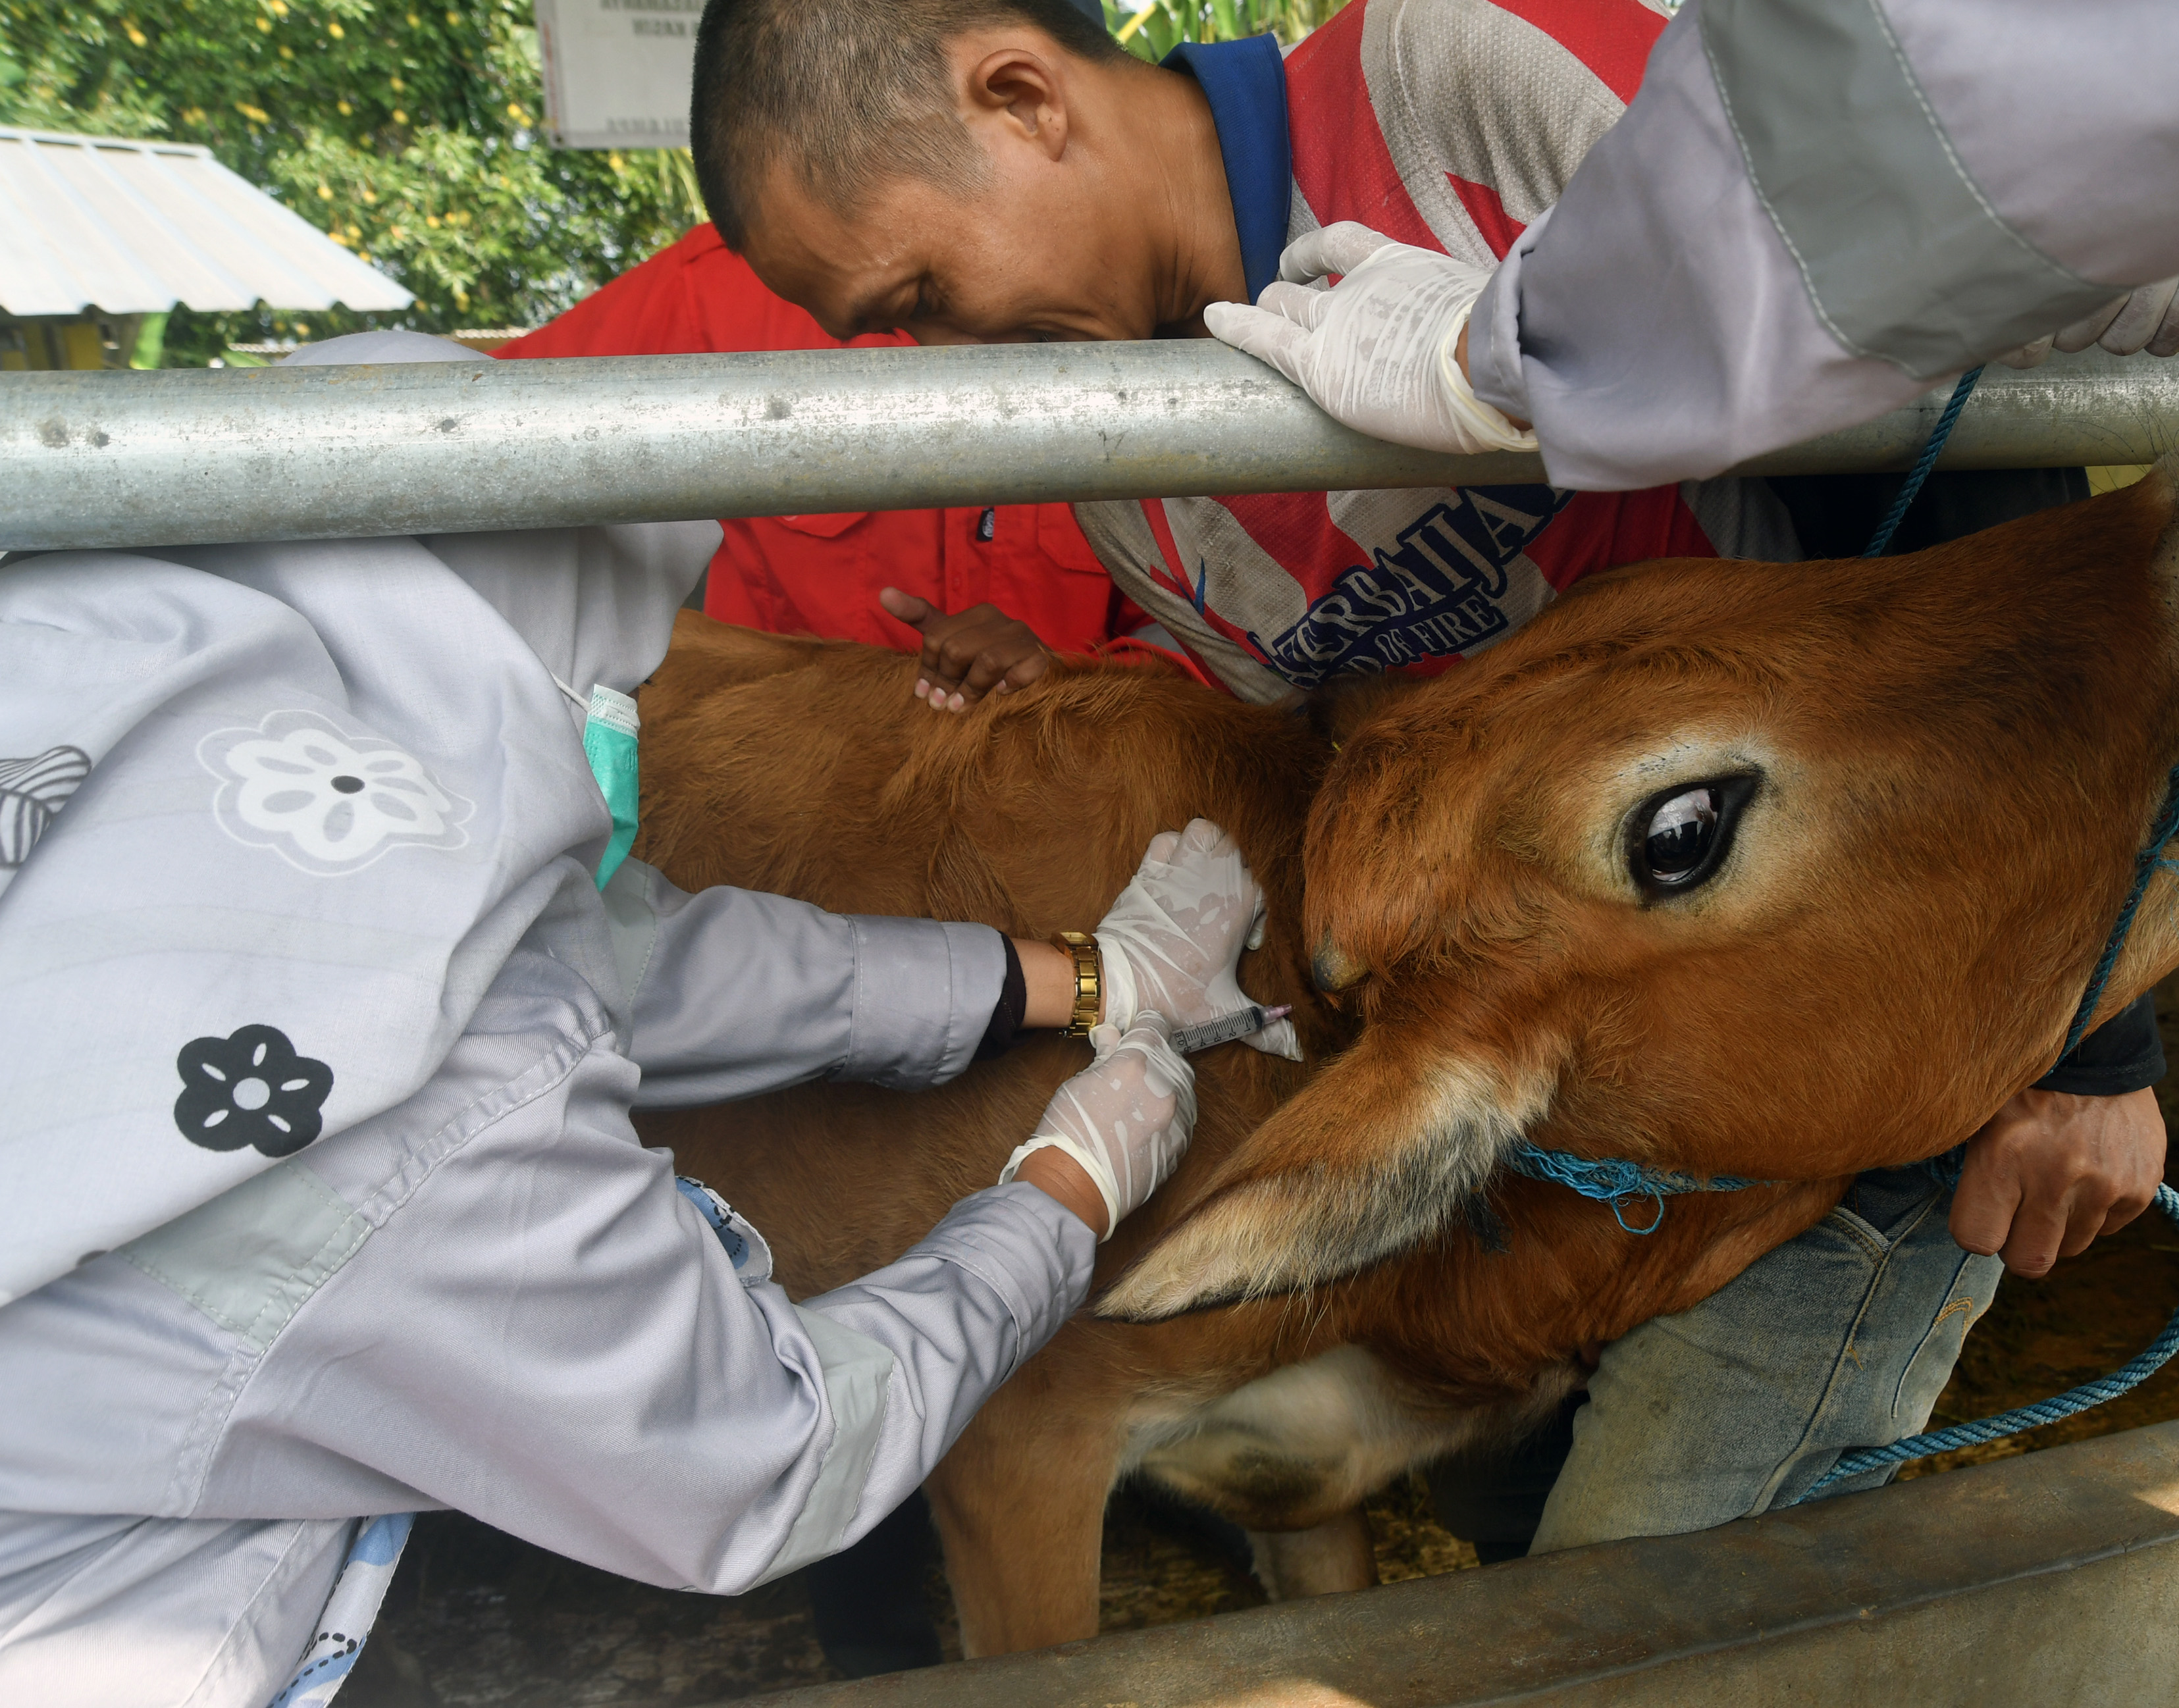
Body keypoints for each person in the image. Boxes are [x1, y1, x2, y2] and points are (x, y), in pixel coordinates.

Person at [1207, 0, 2179, 1688]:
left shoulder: (1472, 63)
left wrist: (1512, 347)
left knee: (1613, 1626)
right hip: (1718, 1109)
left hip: (1897, 1108)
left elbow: (1957, 138)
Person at [687, 0, 2176, 1565]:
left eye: (913, 297)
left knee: (1626, 1615)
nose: (946, 359)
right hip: (1584, 1123)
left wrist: (2088, 1044)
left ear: (1020, 99)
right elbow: (1331, 752)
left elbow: (1937, 384)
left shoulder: (1457, 81)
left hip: (1871, 1038)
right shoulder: (1131, 481)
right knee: (1507, 1532)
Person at [0, 331, 1295, 1706]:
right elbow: (757, 1451)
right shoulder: (413, 1129)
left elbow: (612, 954)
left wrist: (1081, 979)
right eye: (616, 683)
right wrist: (1067, 1189)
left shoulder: (150, 716)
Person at [493, 220, 1152, 665]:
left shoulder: (1124, 299)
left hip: (1061, 806)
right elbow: (476, 442)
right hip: (785, 813)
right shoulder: (718, 290)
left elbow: (1215, 633)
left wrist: (1064, 684)